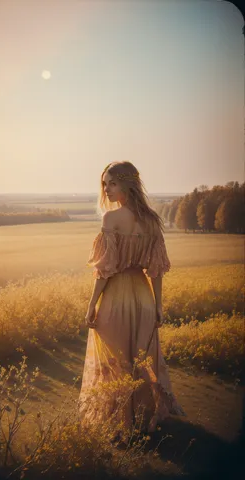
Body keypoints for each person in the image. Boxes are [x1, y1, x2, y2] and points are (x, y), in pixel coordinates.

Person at [78, 161, 186, 443]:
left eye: (112, 183)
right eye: (105, 184)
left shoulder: (110, 220)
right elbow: (156, 270)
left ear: (128, 183)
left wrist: (92, 303)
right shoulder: (152, 220)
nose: (107, 189)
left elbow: (105, 270)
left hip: (116, 297)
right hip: (144, 297)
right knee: (141, 359)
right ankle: (140, 420)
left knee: (115, 361)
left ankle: (118, 422)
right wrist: (159, 305)